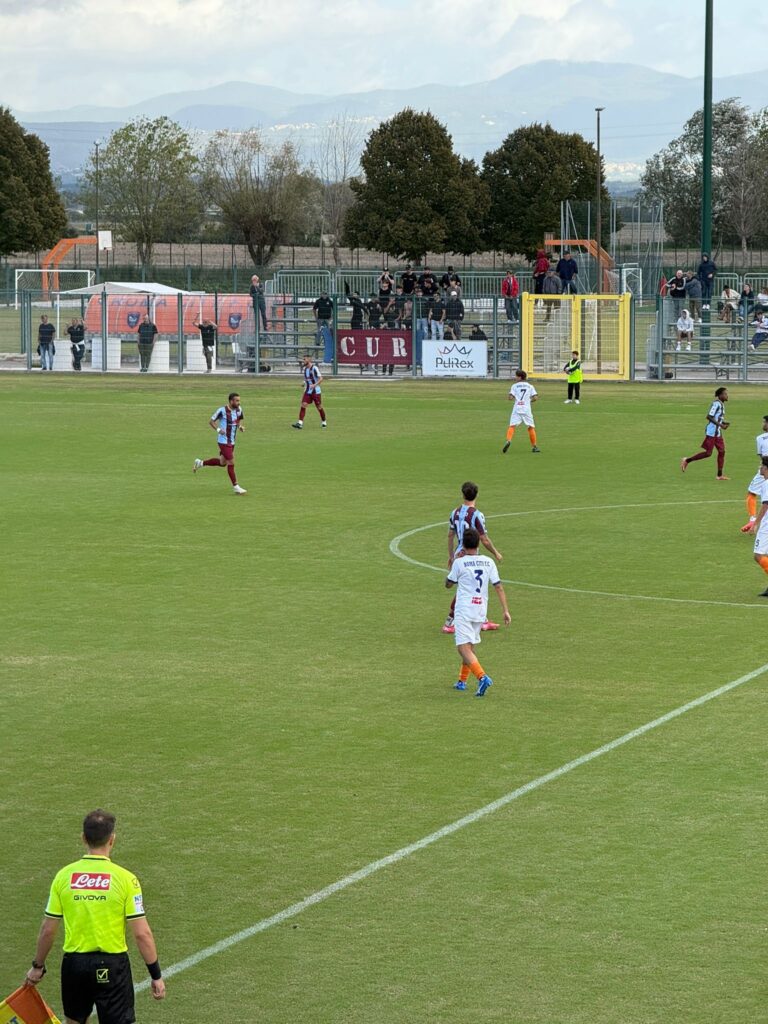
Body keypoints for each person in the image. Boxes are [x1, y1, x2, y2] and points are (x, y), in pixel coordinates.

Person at [23, 809, 165, 1024]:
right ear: (112, 839)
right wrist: (155, 975)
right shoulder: (126, 879)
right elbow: (142, 934)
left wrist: (38, 966)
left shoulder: (64, 876)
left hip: (74, 965)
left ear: (83, 838)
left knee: (74, 1021)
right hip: (112, 965)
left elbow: (48, 929)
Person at [445, 527, 511, 697]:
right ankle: (462, 681)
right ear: (478, 543)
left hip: (464, 609)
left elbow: (448, 584)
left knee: (462, 648)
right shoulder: (489, 562)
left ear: (463, 545)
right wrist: (505, 611)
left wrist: (454, 563)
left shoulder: (460, 562)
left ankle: (482, 677)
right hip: (481, 609)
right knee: (470, 646)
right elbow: (498, 586)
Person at [442, 481, 503, 635]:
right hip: (469, 555)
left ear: (463, 495)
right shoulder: (477, 514)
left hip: (459, 554)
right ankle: (450, 620)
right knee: (468, 587)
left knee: (474, 585)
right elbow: (484, 539)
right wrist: (495, 553)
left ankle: (482, 619)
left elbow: (450, 535)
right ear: (476, 495)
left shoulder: (454, 512)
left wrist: (451, 556)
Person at [193, 392, 247, 494]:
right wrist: (218, 430)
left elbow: (238, 420)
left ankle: (200, 463)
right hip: (223, 441)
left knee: (223, 463)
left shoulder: (239, 409)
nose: (239, 403)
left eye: (239, 400)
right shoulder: (222, 411)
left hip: (232, 441)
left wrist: (240, 427)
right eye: (237, 401)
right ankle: (236, 486)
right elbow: (211, 421)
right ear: (231, 401)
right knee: (231, 462)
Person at [680, 386, 730, 480]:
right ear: (720, 395)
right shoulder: (716, 404)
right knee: (708, 453)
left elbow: (716, 417)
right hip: (711, 432)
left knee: (722, 451)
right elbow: (709, 417)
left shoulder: (722, 404)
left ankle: (719, 475)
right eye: (725, 394)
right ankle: (687, 460)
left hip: (717, 432)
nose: (727, 395)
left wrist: (723, 423)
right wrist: (721, 425)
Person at [740, 416, 768, 533]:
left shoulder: (760, 438)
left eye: (764, 422)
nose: (763, 424)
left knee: (752, 493)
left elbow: (761, 456)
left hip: (765, 470)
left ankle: (752, 519)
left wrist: (762, 468)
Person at [503, 369, 540, 453]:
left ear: (520, 377)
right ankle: (534, 446)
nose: (515, 377)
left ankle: (508, 440)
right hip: (526, 409)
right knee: (530, 427)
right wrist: (528, 401)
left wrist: (513, 397)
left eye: (516, 376)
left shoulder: (514, 386)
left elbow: (510, 398)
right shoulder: (530, 386)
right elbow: (535, 398)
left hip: (517, 408)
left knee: (512, 425)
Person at [292, 354, 327, 429]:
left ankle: (324, 421)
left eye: (304, 359)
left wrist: (314, 385)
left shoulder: (314, 368)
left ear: (309, 359)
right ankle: (300, 423)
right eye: (303, 359)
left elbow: (321, 378)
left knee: (319, 407)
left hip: (316, 392)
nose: (303, 361)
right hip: (308, 391)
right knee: (303, 404)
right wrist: (304, 383)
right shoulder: (305, 369)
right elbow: (306, 379)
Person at [751, 458, 768, 596]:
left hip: (766, 527)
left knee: (758, 555)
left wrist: (755, 523)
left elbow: (765, 505)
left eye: (762, 466)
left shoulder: (767, 484)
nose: (760, 468)